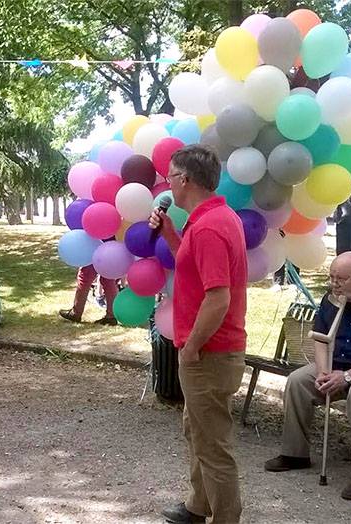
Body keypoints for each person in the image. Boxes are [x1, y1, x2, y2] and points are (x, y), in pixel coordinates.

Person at [149, 146, 248, 524]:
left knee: (213, 445)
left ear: (185, 180)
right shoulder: (210, 218)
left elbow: (218, 297)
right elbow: (190, 267)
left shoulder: (209, 227)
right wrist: (171, 234)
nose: (168, 183)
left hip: (210, 352)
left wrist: (191, 348)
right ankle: (197, 506)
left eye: (171, 176)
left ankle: (226, 517)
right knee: (197, 431)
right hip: (210, 350)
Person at [264, 251, 351, 501]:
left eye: (341, 279)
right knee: (299, 380)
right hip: (339, 366)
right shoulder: (333, 299)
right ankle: (295, 453)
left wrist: (347, 376)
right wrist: (324, 372)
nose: (334, 284)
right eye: (331, 277)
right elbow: (321, 338)